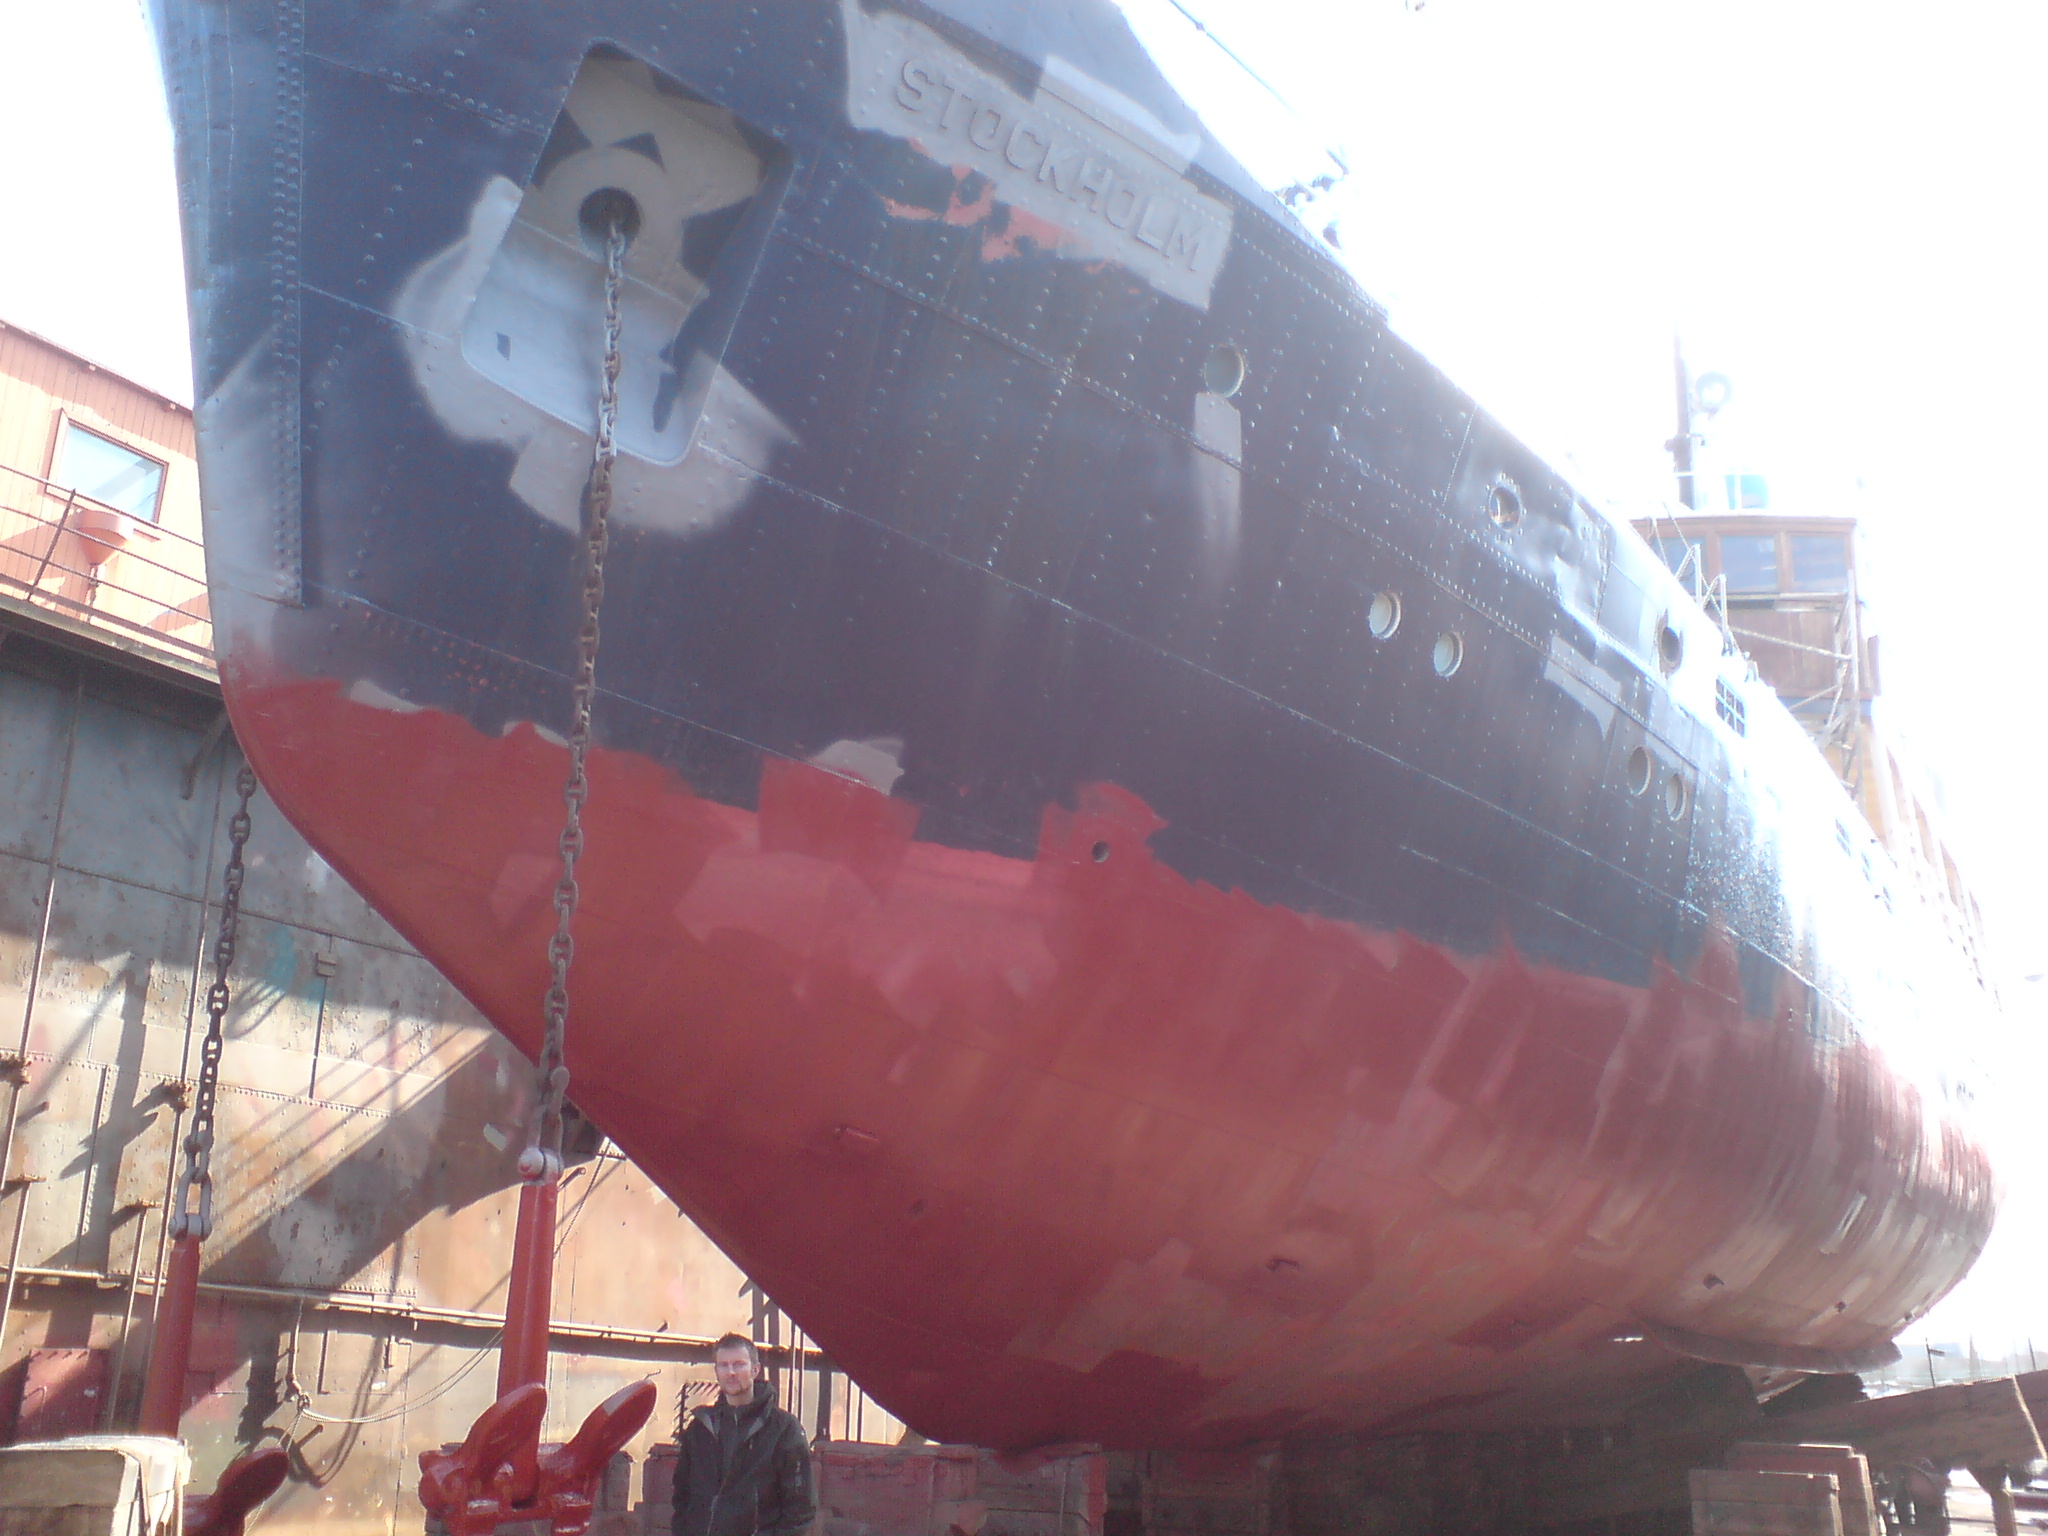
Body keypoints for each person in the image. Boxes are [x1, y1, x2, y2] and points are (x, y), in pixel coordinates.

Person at [672, 1333, 816, 1536]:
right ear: (716, 1371)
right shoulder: (700, 1429)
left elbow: (800, 1508)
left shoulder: (783, 1429)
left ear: (755, 1369)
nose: (731, 1372)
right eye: (724, 1365)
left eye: (739, 1365)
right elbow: (681, 1496)